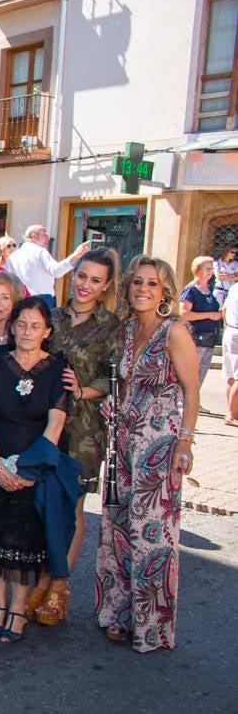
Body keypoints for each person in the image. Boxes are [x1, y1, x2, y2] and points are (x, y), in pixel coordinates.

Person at [96, 256, 199, 652]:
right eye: (137, 282)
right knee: (119, 527)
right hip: (124, 440)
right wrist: (111, 403)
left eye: (152, 284)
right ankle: (118, 615)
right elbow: (124, 383)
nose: (142, 289)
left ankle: (151, 626)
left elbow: (191, 390)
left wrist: (185, 443)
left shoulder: (174, 331)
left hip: (160, 443)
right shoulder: (126, 331)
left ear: (165, 291)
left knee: (152, 534)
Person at [0, 297, 71, 645]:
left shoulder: (58, 368)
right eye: (21, 324)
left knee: (23, 541)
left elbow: (56, 423)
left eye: (35, 326)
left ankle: (18, 608)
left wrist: (29, 469)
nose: (26, 331)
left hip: (34, 465)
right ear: (12, 327)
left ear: (47, 331)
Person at [32, 249, 121, 626]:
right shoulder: (51, 316)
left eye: (95, 280)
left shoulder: (111, 326)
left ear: (106, 287)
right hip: (40, 424)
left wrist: (84, 390)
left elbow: (114, 376)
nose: (85, 285)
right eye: (82, 276)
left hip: (83, 429)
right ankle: (36, 581)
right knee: (38, 503)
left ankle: (58, 588)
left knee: (71, 508)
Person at [5, 224, 89, 308]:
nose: (48, 237)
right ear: (34, 237)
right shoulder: (40, 252)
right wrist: (76, 255)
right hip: (42, 301)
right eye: (44, 234)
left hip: (20, 300)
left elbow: (9, 281)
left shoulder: (12, 257)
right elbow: (56, 271)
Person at [180, 255, 223, 386]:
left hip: (209, 337)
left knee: (201, 372)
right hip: (195, 337)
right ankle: (183, 402)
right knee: (190, 372)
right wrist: (208, 315)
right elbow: (184, 313)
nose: (210, 272)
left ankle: (195, 400)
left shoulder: (210, 289)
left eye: (211, 269)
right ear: (197, 270)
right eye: (207, 268)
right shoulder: (190, 290)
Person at [225, 283, 238, 427]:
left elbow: (224, 309)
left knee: (230, 376)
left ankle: (230, 411)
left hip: (230, 330)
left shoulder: (234, 287)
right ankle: (232, 414)